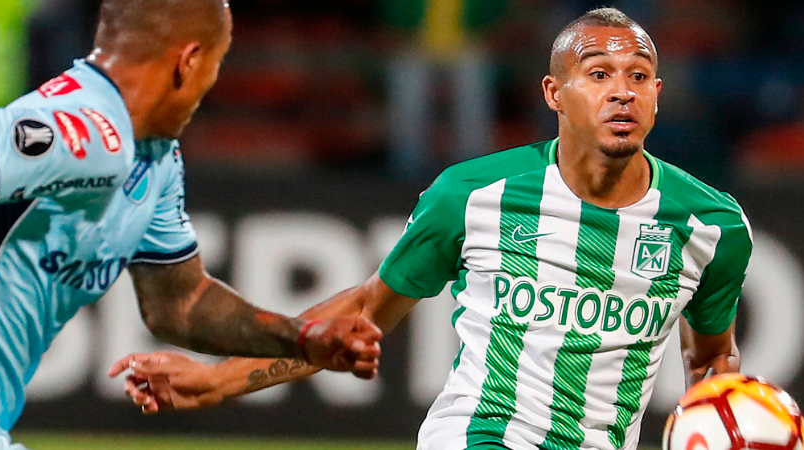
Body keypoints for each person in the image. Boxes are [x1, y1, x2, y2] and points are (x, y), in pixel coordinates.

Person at [112, 8, 751, 450]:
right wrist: (218, 380)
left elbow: (711, 359)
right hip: (478, 435)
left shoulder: (711, 226)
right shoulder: (473, 195)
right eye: (599, 74)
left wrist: (728, 421)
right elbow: (365, 311)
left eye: (638, 77)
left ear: (659, 94)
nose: (622, 93)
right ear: (554, 93)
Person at [0, 1, 383, 449]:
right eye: (216, 66)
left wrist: (300, 338)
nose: (211, 86)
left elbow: (180, 304)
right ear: (188, 61)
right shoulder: (89, 129)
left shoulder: (153, 159)